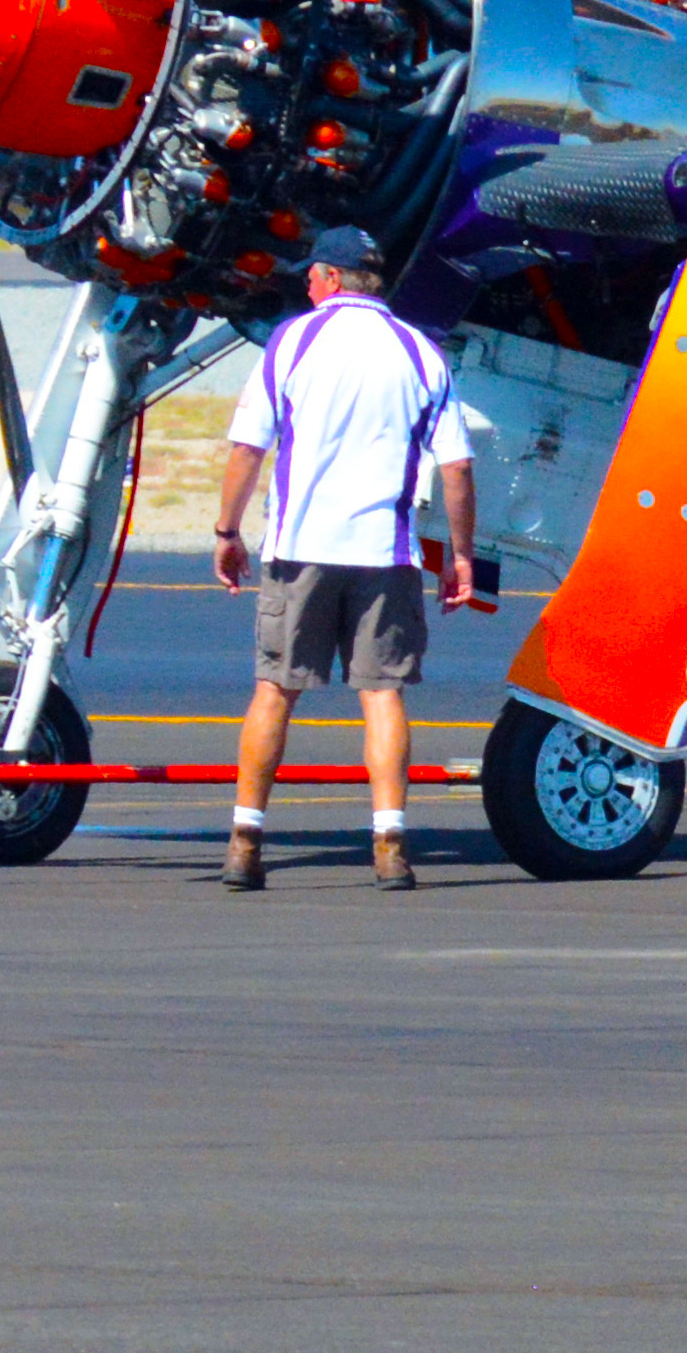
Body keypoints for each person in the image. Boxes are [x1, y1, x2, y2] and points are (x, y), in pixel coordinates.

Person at [213, 225, 481, 891]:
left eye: (312, 274)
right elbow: (457, 468)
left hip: (299, 548)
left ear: (331, 279)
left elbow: (249, 448)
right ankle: (390, 845)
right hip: (384, 554)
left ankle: (245, 842)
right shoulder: (421, 352)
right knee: (383, 694)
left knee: (275, 689)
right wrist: (461, 556)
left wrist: (227, 528)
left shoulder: (292, 341)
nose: (305, 284)